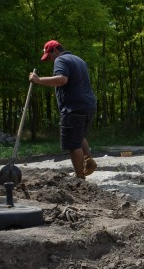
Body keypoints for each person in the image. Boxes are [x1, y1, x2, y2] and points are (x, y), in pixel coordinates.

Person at [30, 40, 98, 179]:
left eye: (49, 56)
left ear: (55, 50)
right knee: (79, 136)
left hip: (73, 107)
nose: (49, 59)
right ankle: (88, 160)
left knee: (73, 144)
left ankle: (79, 178)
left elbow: (62, 80)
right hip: (89, 105)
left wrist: (38, 80)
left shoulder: (61, 60)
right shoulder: (78, 60)